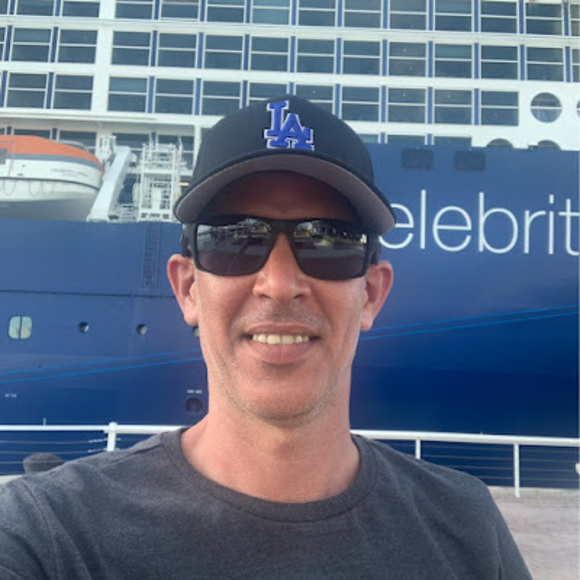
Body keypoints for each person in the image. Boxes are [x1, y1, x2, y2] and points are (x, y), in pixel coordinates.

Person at [0, 95, 531, 579]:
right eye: (235, 238)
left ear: (371, 293)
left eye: (327, 241)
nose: (279, 284)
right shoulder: (46, 535)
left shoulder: (468, 527)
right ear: (188, 289)